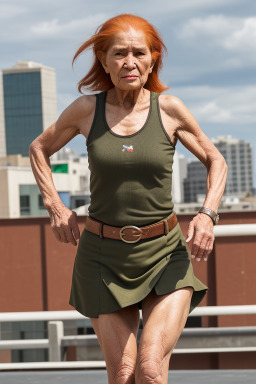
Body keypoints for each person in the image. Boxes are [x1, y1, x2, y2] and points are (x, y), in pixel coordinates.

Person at [29, 13, 228, 384]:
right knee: (123, 373)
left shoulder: (170, 110)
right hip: (102, 257)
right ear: (103, 61)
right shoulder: (86, 111)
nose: (129, 62)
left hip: (165, 254)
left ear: (153, 59)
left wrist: (208, 214)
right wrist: (56, 206)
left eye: (139, 53)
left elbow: (215, 159)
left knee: (150, 368)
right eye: (119, 53)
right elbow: (39, 148)